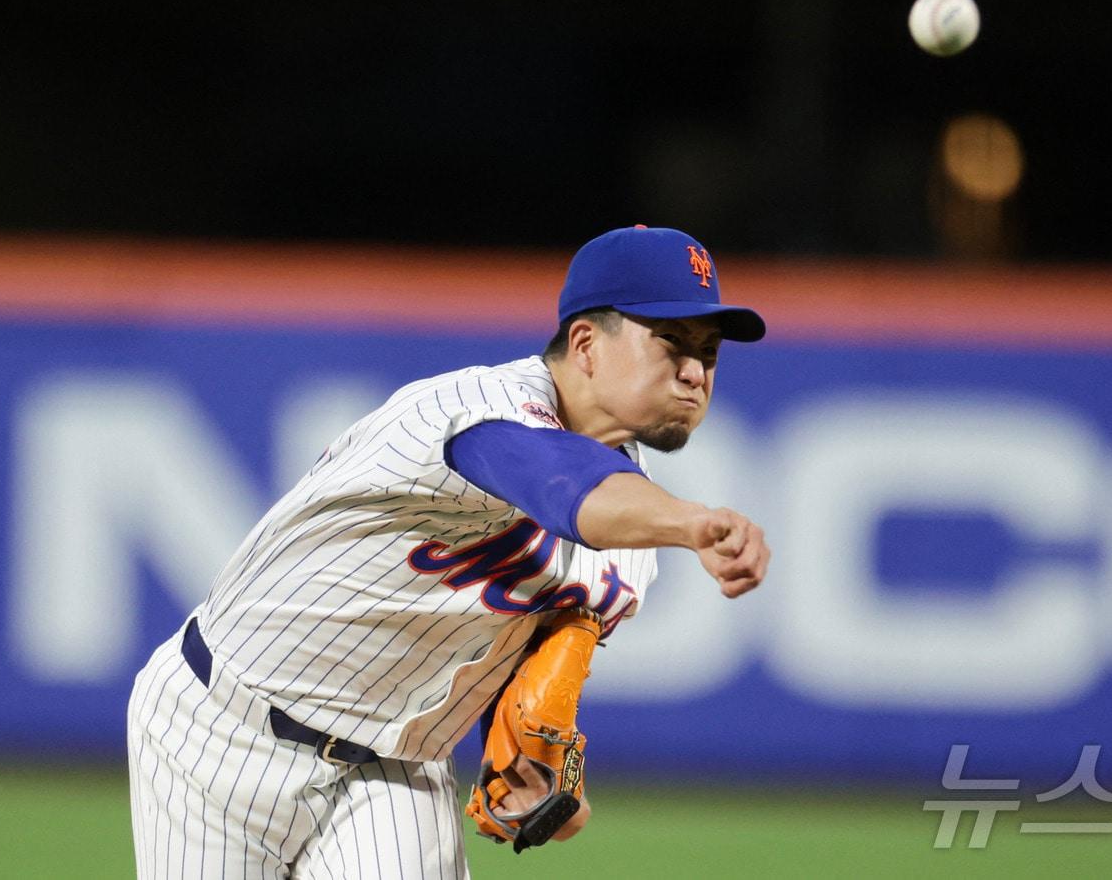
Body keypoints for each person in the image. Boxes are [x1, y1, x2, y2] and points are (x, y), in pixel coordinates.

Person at [127, 224, 771, 879]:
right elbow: (557, 479)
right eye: (671, 342)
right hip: (218, 728)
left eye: (710, 351)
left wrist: (528, 773)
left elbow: (518, 684)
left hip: (393, 769)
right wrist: (695, 523)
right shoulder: (474, 410)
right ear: (585, 345)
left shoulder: (634, 546)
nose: (696, 371)